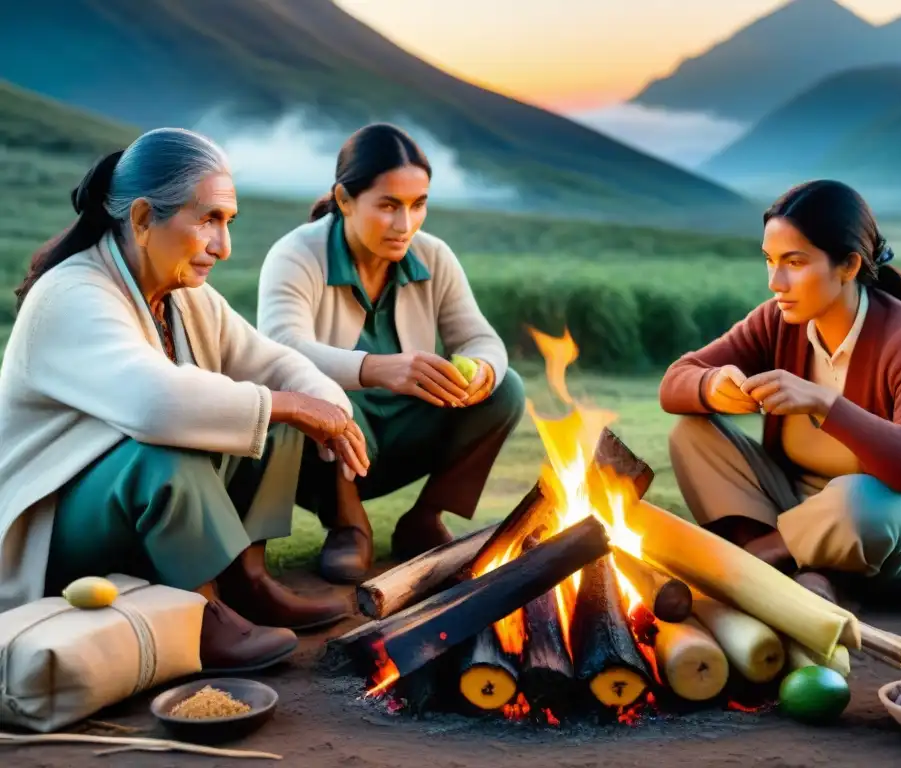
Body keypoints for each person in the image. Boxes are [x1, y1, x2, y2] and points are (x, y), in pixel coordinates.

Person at [0, 128, 372, 674]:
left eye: (229, 222)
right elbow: (155, 404)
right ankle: (202, 612)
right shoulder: (71, 295)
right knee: (170, 444)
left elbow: (271, 361)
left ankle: (245, 578)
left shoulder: (186, 296)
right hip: (53, 535)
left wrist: (327, 409)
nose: (223, 246)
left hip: (120, 519)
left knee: (283, 409)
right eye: (208, 220)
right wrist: (289, 404)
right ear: (145, 218)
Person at [659, 179, 901, 607]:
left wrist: (825, 404)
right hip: (796, 506)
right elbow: (676, 380)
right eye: (770, 260)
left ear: (849, 266)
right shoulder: (776, 322)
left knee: (860, 501)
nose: (775, 282)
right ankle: (803, 572)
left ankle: (760, 560)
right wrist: (713, 387)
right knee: (691, 435)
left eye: (794, 262)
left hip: (900, 534)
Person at [257, 123, 525, 584]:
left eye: (417, 205)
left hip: (401, 436)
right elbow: (280, 349)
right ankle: (348, 526)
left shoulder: (433, 255)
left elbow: (481, 339)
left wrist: (481, 370)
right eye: (388, 206)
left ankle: (424, 519)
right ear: (344, 200)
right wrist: (376, 369)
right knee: (314, 395)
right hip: (319, 451)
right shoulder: (296, 254)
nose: (405, 224)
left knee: (508, 389)